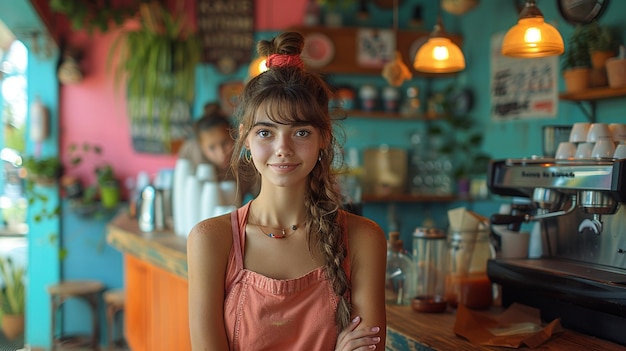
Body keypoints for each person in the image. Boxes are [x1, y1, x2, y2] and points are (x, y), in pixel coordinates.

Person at [187, 31, 387, 350]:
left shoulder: (364, 239)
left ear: (323, 138)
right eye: (266, 132)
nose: (283, 148)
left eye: (301, 132)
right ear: (246, 140)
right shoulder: (211, 239)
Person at [178, 102, 258, 201]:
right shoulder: (195, 168)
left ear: (234, 136)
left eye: (225, 143)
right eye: (212, 148)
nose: (221, 153)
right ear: (201, 148)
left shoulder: (247, 168)